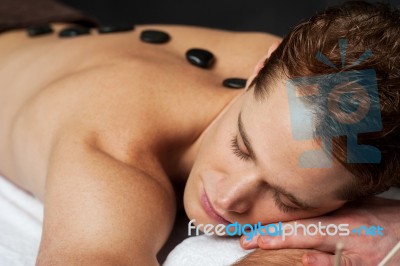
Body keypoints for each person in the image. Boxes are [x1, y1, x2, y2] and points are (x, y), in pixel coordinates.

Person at [0, 1, 398, 266]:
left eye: (285, 199)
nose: (228, 199)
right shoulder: (111, 160)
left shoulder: (313, 70)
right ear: (257, 71)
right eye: (242, 147)